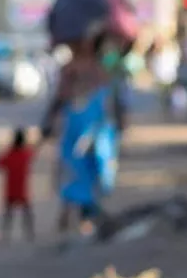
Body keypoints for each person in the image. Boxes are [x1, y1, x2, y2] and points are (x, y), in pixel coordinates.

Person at [41, 34, 126, 236]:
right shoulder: (97, 71)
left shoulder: (80, 69)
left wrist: (48, 121)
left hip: (86, 127)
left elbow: (61, 98)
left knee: (80, 170)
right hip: (87, 128)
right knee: (84, 170)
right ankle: (81, 217)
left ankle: (81, 216)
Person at [0, 127, 37, 242]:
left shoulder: (9, 154)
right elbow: (34, 150)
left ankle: (5, 235)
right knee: (26, 213)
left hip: (10, 189)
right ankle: (30, 233)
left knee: (8, 214)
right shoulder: (26, 154)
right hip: (22, 189)